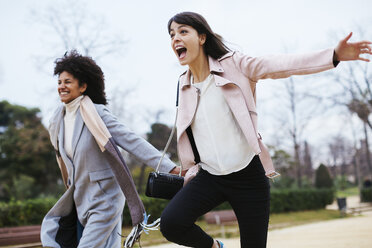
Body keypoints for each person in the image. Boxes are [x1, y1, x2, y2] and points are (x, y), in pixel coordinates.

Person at [161, 11, 372, 248]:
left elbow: (279, 65)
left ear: (201, 38)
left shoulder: (235, 65)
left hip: (248, 176)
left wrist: (332, 55)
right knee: (172, 223)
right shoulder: (183, 84)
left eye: (182, 31)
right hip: (210, 177)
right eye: (171, 35)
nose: (175, 38)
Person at [40, 50, 178, 248]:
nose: (62, 86)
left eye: (68, 81)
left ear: (83, 86)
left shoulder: (97, 113)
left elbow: (132, 141)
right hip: (79, 201)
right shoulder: (57, 120)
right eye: (59, 82)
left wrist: (169, 167)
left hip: (105, 199)